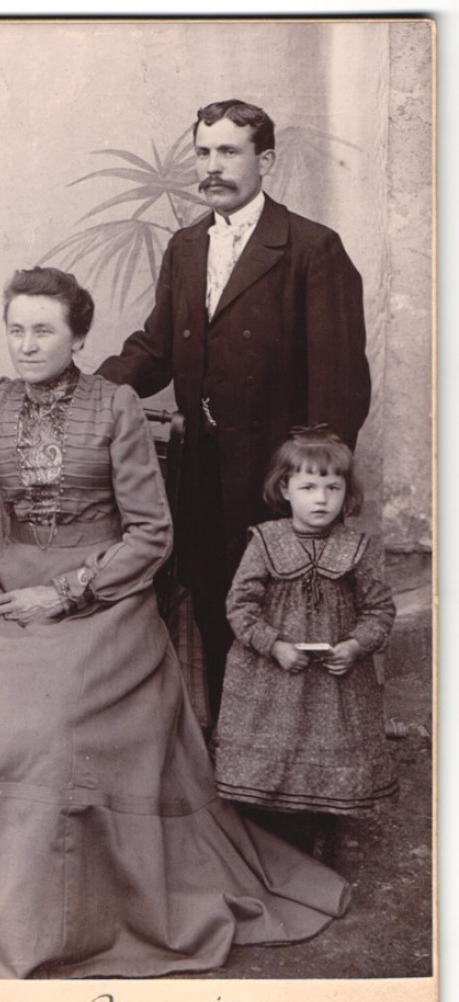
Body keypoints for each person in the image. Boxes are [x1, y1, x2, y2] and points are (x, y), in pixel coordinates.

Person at [0, 267, 351, 981]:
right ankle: (3, 899)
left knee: (54, 728)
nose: (26, 344)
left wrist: (66, 593)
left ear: (78, 335)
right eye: (15, 329)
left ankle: (83, 910)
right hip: (7, 590)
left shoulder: (112, 405)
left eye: (43, 329)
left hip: (102, 593)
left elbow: (150, 534)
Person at [99, 99, 372, 717]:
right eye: (203, 152)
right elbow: (155, 349)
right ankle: (231, 754)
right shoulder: (187, 246)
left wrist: (315, 481)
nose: (212, 166)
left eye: (229, 151)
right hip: (200, 471)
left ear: (265, 160)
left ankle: (293, 782)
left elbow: (340, 380)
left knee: (287, 616)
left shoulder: (312, 248)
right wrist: (89, 389)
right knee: (219, 605)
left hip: (278, 477)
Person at [211, 426, 397, 864]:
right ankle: (270, 841)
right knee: (274, 754)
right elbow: (240, 606)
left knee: (329, 754)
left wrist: (355, 645)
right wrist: (272, 644)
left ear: (347, 493)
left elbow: (380, 610)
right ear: (284, 489)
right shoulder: (265, 542)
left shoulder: (357, 548)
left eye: (333, 487)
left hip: (334, 684)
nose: (321, 499)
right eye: (308, 486)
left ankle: (324, 833)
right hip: (271, 679)